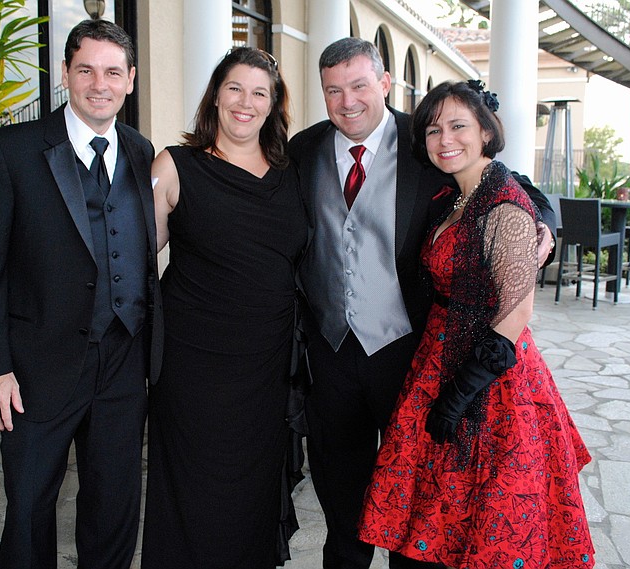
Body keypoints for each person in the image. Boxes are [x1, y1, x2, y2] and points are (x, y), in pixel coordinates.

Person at [288, 38, 557, 569]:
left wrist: (543, 228)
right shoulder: (303, 149)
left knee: (417, 506)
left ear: (384, 84)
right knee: (343, 501)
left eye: (360, 85)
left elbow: (509, 185)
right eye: (333, 90)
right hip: (330, 352)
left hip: (411, 352)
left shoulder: (429, 137)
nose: (348, 101)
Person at [358, 80, 595, 568]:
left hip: (490, 383)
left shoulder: (504, 205)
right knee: (433, 517)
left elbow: (517, 312)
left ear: (486, 132)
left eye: (459, 125)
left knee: (487, 520)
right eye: (433, 129)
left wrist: (461, 392)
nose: (445, 138)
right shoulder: (456, 197)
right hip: (436, 358)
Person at [0, 20, 162, 569]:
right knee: (28, 508)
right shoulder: (10, 150)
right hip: (34, 370)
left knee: (115, 506)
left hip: (123, 363)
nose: (100, 83)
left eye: (113, 72)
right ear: (66, 75)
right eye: (86, 70)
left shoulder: (143, 153)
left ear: (130, 79)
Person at [141, 47, 306, 569]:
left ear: (274, 103)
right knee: (192, 484)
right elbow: (132, 256)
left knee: (252, 488)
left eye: (260, 92)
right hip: (193, 364)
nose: (245, 102)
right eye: (235, 88)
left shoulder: (293, 169)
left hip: (267, 365)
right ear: (216, 93)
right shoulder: (175, 165)